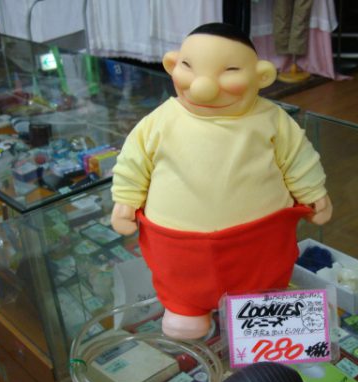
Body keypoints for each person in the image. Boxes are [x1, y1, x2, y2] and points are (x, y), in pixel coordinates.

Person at [111, 22, 332, 339]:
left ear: (261, 76)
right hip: (176, 249)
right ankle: (185, 307)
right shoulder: (160, 121)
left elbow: (297, 157)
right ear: (172, 65)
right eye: (188, 67)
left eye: (229, 71)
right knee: (179, 281)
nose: (203, 87)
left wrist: (313, 192)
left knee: (263, 279)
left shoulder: (271, 119)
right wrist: (125, 200)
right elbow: (134, 162)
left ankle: (260, 312)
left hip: (259, 244)